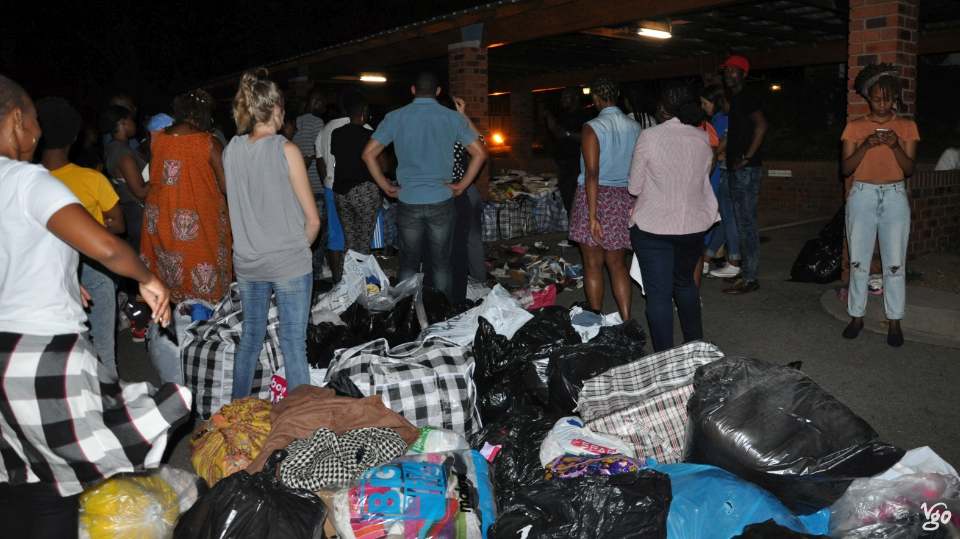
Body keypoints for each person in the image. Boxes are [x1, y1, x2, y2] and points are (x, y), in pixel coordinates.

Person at [0, 74, 190, 538]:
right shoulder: (26, 180)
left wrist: (64, 281)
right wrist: (147, 278)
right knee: (57, 489)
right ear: (17, 119)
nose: (38, 134)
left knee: (15, 480)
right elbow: (105, 246)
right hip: (40, 355)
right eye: (34, 122)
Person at [224, 68, 320, 398]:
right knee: (293, 343)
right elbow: (313, 220)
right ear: (276, 108)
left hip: (248, 263)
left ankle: (235, 411)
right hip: (288, 261)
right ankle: (300, 419)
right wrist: (296, 251)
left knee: (250, 338)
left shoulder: (231, 149)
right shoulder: (286, 149)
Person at [362, 72, 486, 301]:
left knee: (408, 263)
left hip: (408, 200)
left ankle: (406, 311)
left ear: (412, 90)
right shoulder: (452, 118)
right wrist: (461, 186)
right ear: (438, 91)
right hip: (442, 200)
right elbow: (480, 153)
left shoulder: (395, 117)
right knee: (441, 264)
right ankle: (439, 313)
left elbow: (368, 154)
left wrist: (386, 186)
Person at [140, 90, 233, 382]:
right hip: (198, 228)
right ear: (201, 114)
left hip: (163, 224)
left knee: (172, 284)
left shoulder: (157, 139)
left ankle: (172, 350)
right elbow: (227, 186)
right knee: (204, 287)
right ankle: (200, 354)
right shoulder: (208, 143)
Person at [38, 97, 125, 378]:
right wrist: (89, 233)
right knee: (104, 349)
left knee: (67, 351)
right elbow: (118, 224)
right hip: (94, 266)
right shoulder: (91, 179)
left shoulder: (28, 182)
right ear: (74, 137)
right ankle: (108, 395)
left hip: (46, 272)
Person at [628, 82, 718, 352]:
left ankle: (665, 357)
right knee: (685, 284)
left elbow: (634, 187)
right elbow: (703, 177)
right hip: (692, 226)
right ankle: (695, 347)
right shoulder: (701, 137)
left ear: (664, 107)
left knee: (659, 295)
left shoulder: (650, 136)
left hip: (654, 227)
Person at [840, 64, 918, 347]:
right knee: (858, 260)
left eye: (887, 98)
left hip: (895, 195)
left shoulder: (907, 126)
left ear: (895, 97)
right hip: (863, 194)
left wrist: (895, 145)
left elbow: (909, 169)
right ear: (868, 97)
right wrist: (866, 145)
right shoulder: (855, 126)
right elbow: (846, 168)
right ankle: (856, 315)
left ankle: (895, 320)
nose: (882, 104)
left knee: (895, 262)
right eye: (876, 99)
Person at [568, 78, 639, 320]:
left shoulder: (593, 127)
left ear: (596, 98)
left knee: (592, 264)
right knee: (617, 264)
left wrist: (592, 216)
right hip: (623, 197)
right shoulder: (635, 127)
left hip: (595, 196)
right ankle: (626, 320)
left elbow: (592, 173)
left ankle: (596, 318)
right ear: (616, 96)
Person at [720, 55, 768, 295]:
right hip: (737, 169)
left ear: (744, 73)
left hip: (746, 170)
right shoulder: (737, 98)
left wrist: (747, 157)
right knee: (741, 223)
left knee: (747, 224)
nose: (728, 74)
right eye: (726, 70)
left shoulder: (747, 96)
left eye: (733, 70)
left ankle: (750, 278)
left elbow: (762, 125)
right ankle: (746, 271)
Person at [330, 92, 382, 257]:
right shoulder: (369, 135)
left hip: (341, 192)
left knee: (350, 241)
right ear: (364, 111)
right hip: (363, 190)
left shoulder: (336, 133)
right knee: (364, 242)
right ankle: (362, 272)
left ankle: (349, 272)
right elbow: (383, 164)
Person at [700, 85, 741, 279]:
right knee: (725, 218)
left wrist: (716, 155)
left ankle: (729, 260)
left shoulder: (722, 119)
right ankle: (707, 258)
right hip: (720, 171)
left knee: (723, 217)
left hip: (718, 174)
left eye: (705, 103)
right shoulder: (718, 119)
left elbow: (718, 146)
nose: (703, 107)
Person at [449, 96, 487, 304]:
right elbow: (481, 143)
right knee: (469, 240)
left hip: (455, 190)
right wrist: (463, 116)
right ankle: (477, 285)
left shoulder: (437, 129)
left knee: (457, 242)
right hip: (464, 188)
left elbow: (480, 145)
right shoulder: (458, 127)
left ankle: (464, 287)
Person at [102, 104, 148, 254]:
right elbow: (140, 192)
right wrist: (163, 174)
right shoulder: (123, 154)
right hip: (138, 217)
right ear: (123, 123)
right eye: (131, 120)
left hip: (131, 213)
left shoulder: (113, 147)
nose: (135, 124)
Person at [543, 87, 591, 214]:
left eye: (566, 97)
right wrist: (549, 116)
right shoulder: (564, 115)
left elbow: (587, 137)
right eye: (562, 97)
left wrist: (568, 134)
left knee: (573, 198)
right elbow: (557, 132)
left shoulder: (583, 115)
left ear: (575, 98)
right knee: (565, 196)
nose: (562, 100)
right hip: (563, 163)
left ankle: (575, 221)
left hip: (576, 163)